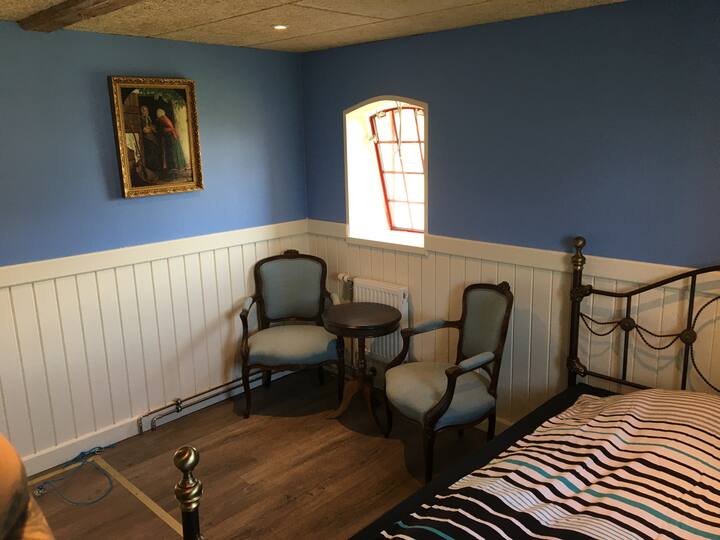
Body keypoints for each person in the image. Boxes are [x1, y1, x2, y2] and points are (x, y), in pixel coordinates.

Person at [155, 108, 187, 177]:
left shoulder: (163, 119)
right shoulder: (163, 118)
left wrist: (162, 130)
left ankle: (174, 168)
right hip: (169, 137)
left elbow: (170, 128)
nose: (157, 114)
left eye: (157, 113)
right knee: (171, 153)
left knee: (172, 153)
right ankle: (173, 168)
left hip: (170, 138)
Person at [139, 105, 161, 177]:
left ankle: (156, 169)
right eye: (144, 110)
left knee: (155, 152)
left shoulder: (148, 118)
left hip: (152, 138)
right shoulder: (141, 119)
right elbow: (145, 130)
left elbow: (154, 129)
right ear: (142, 111)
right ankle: (151, 170)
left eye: (147, 110)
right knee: (150, 154)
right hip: (147, 139)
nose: (146, 112)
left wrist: (151, 128)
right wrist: (151, 128)